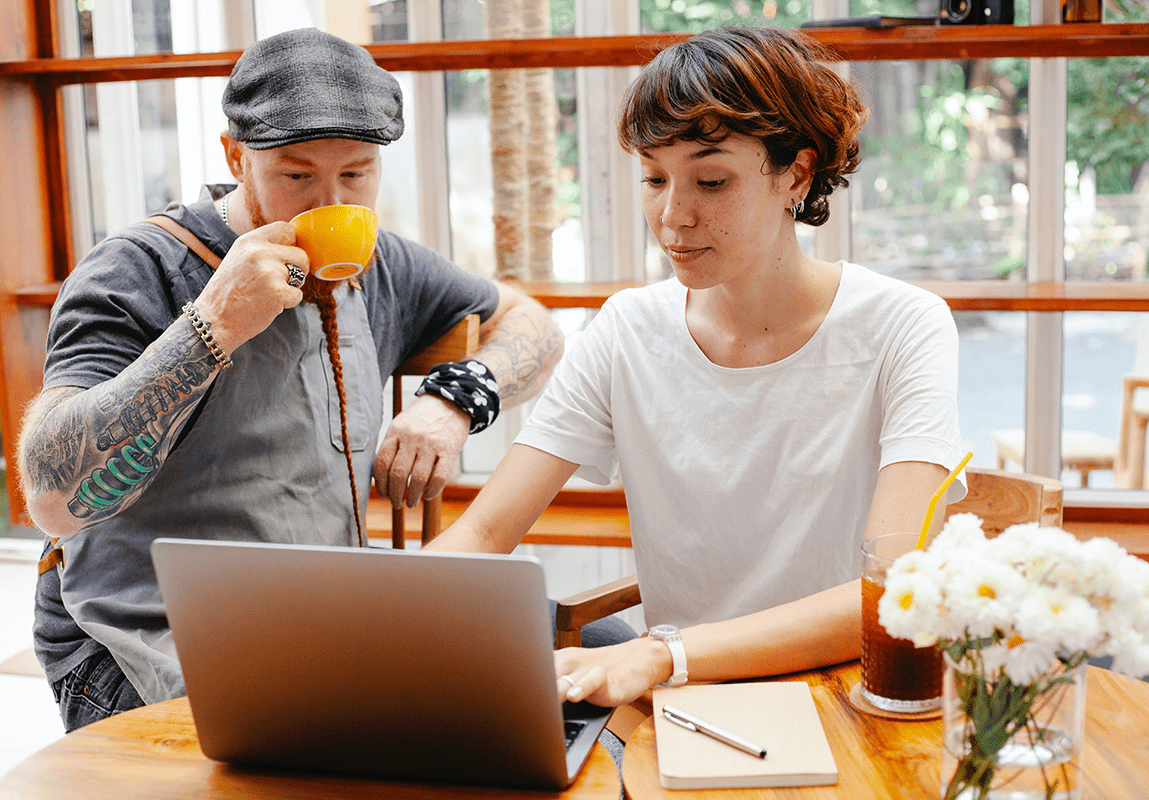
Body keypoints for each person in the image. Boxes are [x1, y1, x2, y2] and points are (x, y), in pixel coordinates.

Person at [16, 28, 583, 732]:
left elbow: (534, 326)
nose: (330, 198)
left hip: (324, 618)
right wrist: (210, 328)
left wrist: (456, 400)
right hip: (145, 635)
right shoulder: (137, 270)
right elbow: (50, 498)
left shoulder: (382, 264)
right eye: (296, 174)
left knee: (561, 687)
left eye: (357, 173)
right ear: (235, 157)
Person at [426, 25, 967, 708]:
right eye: (654, 178)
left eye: (711, 180)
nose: (672, 215)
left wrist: (661, 655)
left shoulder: (902, 325)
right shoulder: (627, 329)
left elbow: (897, 584)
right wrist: (374, 629)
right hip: (679, 704)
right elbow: (483, 530)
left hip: (843, 699)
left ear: (795, 174)